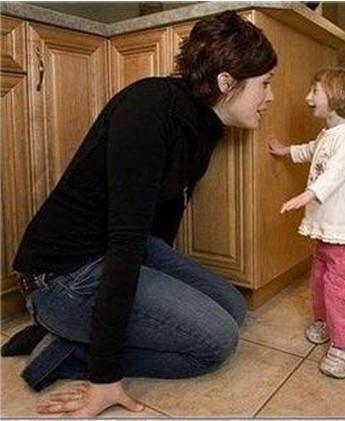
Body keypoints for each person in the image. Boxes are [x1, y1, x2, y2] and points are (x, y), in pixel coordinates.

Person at [1, 11, 276, 417]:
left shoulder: (205, 124)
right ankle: (69, 353)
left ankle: (75, 333)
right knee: (215, 344)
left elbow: (165, 215)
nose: (270, 97)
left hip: (116, 253)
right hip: (63, 277)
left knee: (234, 310)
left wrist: (164, 291)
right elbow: (125, 242)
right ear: (226, 83)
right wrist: (105, 376)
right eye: (265, 84)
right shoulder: (150, 109)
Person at [268, 67, 345, 379]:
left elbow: (335, 172)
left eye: (315, 91)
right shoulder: (328, 134)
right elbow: (312, 151)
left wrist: (308, 194)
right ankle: (324, 321)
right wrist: (285, 151)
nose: (308, 98)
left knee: (338, 290)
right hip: (331, 232)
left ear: (336, 95)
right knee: (319, 279)